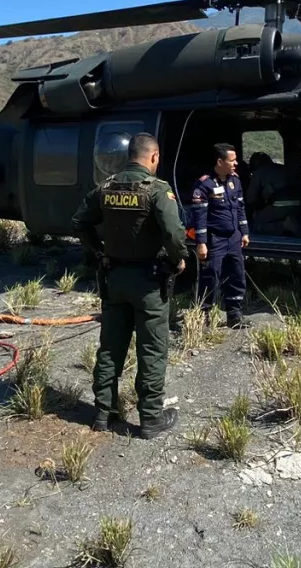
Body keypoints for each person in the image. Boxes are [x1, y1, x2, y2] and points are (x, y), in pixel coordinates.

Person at [71, 132, 188, 440]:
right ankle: (150, 419)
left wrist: (98, 253)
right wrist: (178, 260)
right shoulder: (157, 190)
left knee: (111, 346)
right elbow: (174, 234)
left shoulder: (106, 187)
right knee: (151, 348)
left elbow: (79, 222)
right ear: (154, 157)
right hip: (149, 282)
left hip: (114, 279)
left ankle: (102, 413)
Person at [189, 143, 250, 327]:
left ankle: (234, 314)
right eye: (232, 160)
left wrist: (244, 232)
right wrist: (201, 243)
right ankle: (204, 316)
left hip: (234, 237)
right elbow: (199, 216)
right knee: (211, 276)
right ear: (219, 161)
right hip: (214, 238)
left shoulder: (235, 181)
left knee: (237, 274)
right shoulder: (204, 184)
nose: (236, 163)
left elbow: (240, 208)